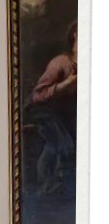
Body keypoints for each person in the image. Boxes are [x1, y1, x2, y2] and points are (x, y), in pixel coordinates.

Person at [27, 21, 77, 196]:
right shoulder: (61, 62)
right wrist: (67, 83)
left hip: (69, 115)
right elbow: (38, 95)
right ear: (76, 34)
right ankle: (47, 183)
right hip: (45, 112)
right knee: (61, 144)